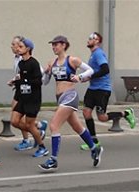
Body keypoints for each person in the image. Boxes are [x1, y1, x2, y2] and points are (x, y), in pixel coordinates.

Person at [38, 35, 102, 172]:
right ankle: (94, 148)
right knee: (77, 127)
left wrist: (79, 77)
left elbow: (90, 70)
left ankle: (53, 160)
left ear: (64, 45)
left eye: (56, 44)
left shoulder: (72, 60)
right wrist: (47, 73)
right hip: (60, 98)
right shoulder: (52, 62)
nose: (54, 47)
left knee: (54, 125)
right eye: (52, 45)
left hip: (70, 95)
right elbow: (45, 82)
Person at [79, 32, 136, 151]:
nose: (89, 40)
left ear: (97, 41)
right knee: (86, 112)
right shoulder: (93, 54)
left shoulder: (98, 54)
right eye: (88, 38)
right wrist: (88, 77)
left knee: (102, 117)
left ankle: (126, 113)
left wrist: (91, 76)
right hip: (92, 89)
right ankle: (94, 141)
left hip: (102, 89)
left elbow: (105, 69)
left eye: (92, 38)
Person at [7, 36, 48, 151]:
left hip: (32, 99)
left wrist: (24, 81)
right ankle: (37, 131)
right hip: (22, 96)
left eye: (20, 46)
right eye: (17, 46)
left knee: (29, 124)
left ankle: (41, 147)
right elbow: (22, 77)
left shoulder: (34, 63)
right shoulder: (21, 63)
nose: (17, 48)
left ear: (28, 48)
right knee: (14, 121)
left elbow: (38, 81)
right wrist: (15, 82)